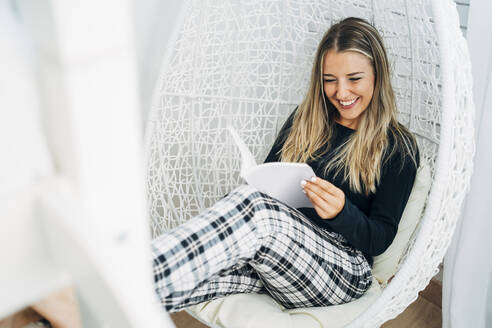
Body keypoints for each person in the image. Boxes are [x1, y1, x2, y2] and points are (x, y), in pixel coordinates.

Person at [152, 17, 419, 312]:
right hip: (280, 257)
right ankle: (123, 293)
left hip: (343, 269)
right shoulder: (304, 119)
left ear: (378, 76)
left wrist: (342, 212)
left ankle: (137, 273)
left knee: (256, 210)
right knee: (202, 273)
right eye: (330, 80)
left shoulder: (397, 146)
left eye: (354, 79)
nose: (341, 93)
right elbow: (265, 183)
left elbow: (380, 238)